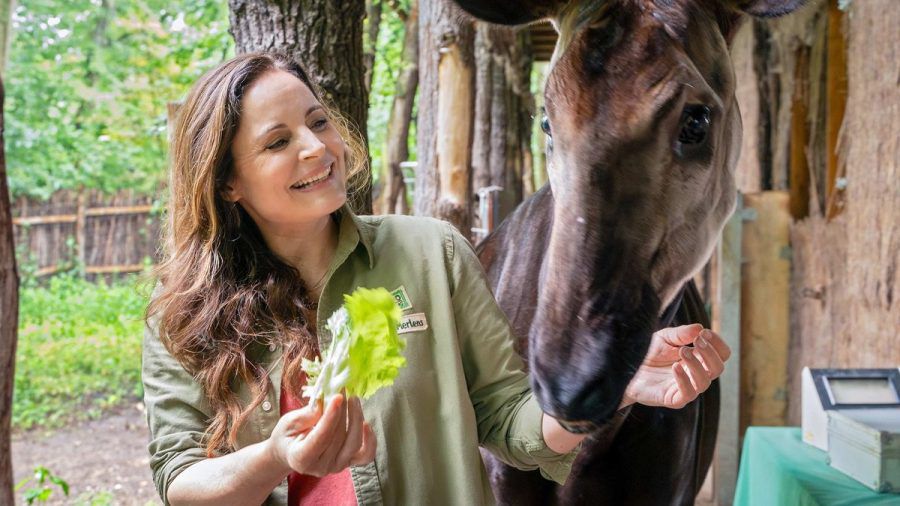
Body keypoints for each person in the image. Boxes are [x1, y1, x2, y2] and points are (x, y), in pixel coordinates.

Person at [142, 52, 731, 506]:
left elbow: (512, 424)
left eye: (318, 121)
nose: (317, 147)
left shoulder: (433, 253)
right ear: (228, 183)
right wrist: (276, 456)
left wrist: (618, 384)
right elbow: (181, 479)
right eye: (278, 141)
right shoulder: (182, 315)